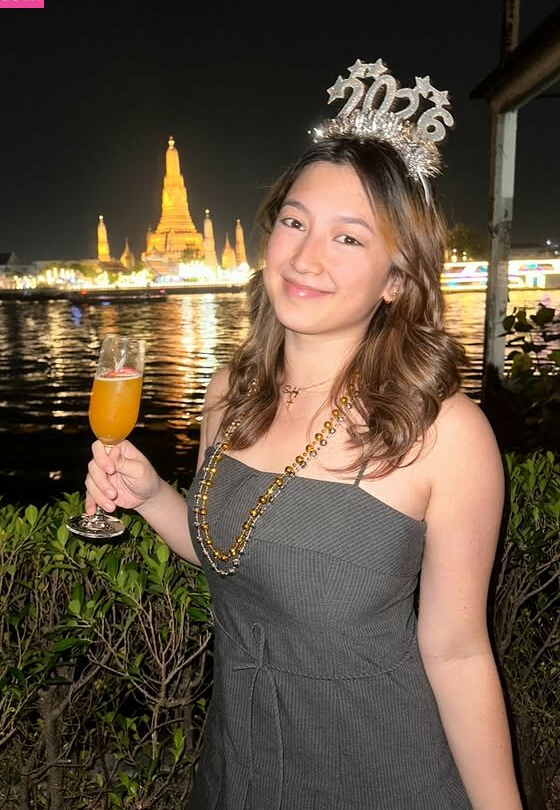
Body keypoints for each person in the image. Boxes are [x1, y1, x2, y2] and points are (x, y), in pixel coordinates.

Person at [83, 60, 523, 809]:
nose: (306, 257)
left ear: (397, 279)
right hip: (241, 769)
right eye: (295, 222)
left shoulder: (446, 434)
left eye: (349, 238)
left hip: (386, 778)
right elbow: (233, 553)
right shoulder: (230, 393)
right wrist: (153, 496)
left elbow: (456, 653)